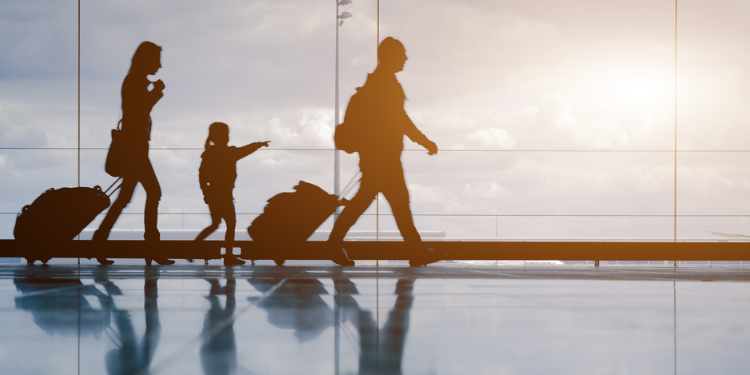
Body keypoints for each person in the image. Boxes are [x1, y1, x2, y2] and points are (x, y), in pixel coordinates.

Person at [329, 37, 441, 267]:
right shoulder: (386, 84)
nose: (405, 59)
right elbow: (400, 120)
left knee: (371, 202)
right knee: (398, 203)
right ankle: (416, 251)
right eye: (401, 55)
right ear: (389, 57)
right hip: (384, 158)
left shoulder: (377, 83)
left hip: (376, 157)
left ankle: (334, 243)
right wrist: (424, 141)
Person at [93, 41, 174, 266]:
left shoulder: (134, 80)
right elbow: (138, 112)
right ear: (146, 60)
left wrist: (153, 91)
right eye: (156, 60)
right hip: (135, 150)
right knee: (154, 192)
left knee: (124, 199)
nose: (159, 65)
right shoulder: (136, 81)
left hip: (134, 149)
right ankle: (152, 249)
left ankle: (99, 242)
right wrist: (157, 92)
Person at [195, 122, 269, 266]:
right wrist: (259, 144)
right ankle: (228, 256)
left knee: (216, 224)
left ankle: (195, 245)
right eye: (226, 134)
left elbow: (202, 176)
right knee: (230, 223)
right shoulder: (229, 153)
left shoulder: (209, 154)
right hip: (223, 194)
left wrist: (206, 194)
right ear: (223, 137)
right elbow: (246, 150)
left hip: (213, 193)